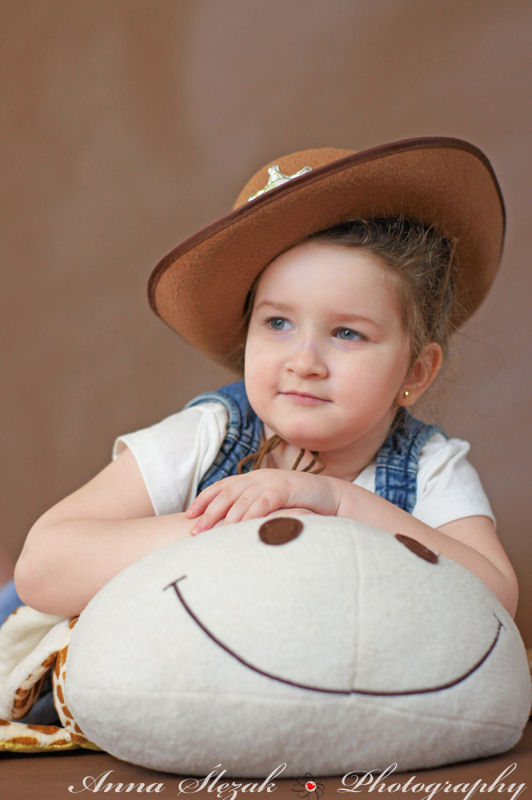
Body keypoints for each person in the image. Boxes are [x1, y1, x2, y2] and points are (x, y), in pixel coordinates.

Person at [11, 138, 518, 622]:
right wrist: (238, 526)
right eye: (278, 323)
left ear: (415, 371)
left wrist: (339, 503)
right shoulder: (212, 435)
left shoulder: (428, 467)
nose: (304, 362)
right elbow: (40, 568)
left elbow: (496, 597)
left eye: (347, 333)